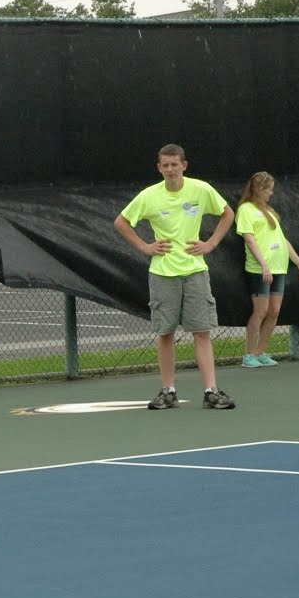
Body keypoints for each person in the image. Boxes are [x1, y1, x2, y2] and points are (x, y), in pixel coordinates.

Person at [113, 144, 237, 410]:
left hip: (195, 271)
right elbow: (121, 222)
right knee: (165, 333)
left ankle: (211, 391)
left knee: (201, 332)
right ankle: (168, 391)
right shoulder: (149, 196)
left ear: (184, 165)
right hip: (162, 274)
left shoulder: (201, 190)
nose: (170, 169)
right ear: (159, 168)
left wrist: (211, 243)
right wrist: (145, 247)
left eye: (174, 164)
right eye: (165, 165)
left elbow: (228, 213)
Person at [235, 171, 299, 368]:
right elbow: (249, 240)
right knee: (260, 311)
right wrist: (263, 265)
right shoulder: (245, 209)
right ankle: (248, 356)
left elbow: (282, 240)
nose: (272, 193)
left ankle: (260, 353)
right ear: (260, 189)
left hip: (279, 268)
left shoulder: (269, 211)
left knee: (274, 311)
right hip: (260, 269)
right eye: (269, 190)